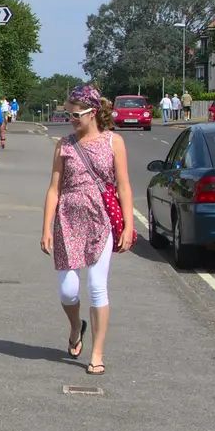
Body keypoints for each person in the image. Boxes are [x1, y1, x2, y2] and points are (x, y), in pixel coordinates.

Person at [41, 84, 136, 376]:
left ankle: (97, 353)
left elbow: (123, 185)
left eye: (76, 114)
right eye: (68, 114)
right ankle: (75, 326)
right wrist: (46, 228)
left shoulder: (113, 142)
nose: (71, 119)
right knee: (69, 291)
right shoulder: (64, 145)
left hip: (101, 220)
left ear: (93, 113)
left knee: (97, 286)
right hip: (68, 219)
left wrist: (129, 226)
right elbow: (54, 188)